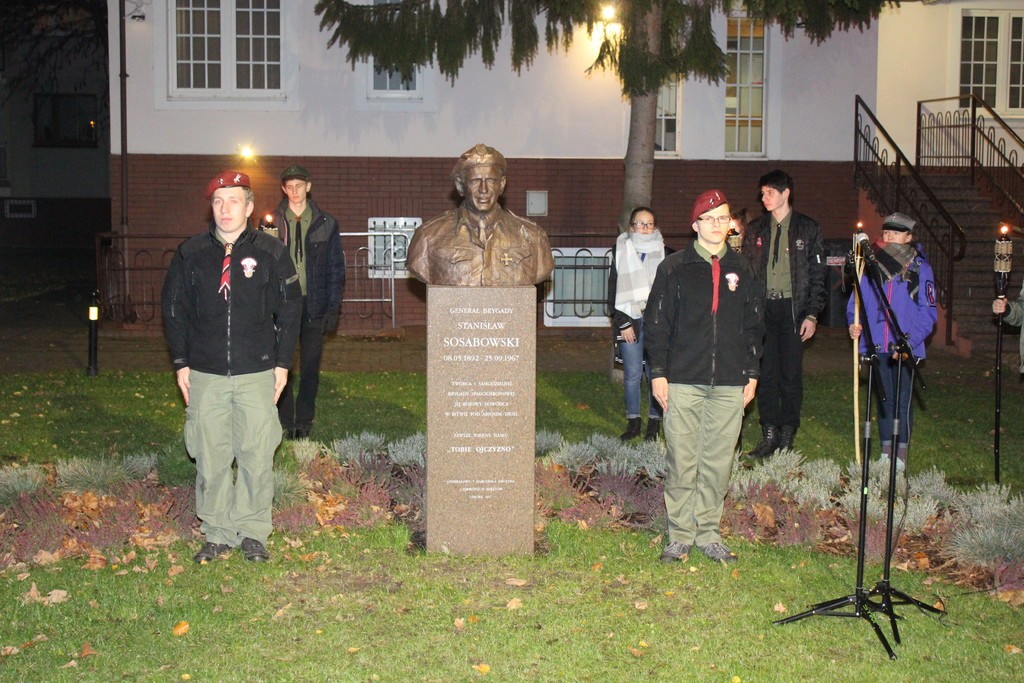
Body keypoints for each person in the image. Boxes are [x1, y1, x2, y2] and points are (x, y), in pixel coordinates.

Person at [162, 170, 302, 564]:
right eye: (218, 202)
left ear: (249, 206)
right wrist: (181, 361)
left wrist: (282, 364)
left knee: (257, 454)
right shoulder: (190, 254)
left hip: (257, 372)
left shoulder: (272, 252)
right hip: (206, 373)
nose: (225, 209)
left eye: (234, 201)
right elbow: (173, 309)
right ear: (211, 207)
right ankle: (217, 531)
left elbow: (291, 309)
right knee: (210, 455)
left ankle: (253, 531)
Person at [644, 189, 764, 564]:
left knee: (718, 462)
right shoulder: (674, 268)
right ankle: (680, 535)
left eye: (722, 218)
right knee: (682, 461)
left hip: (729, 381)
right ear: (695, 225)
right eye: (708, 218)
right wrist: (658, 373)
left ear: (731, 225)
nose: (715, 224)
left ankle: (708, 532)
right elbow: (657, 325)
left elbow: (753, 326)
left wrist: (752, 372)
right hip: (683, 379)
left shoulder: (744, 269)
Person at [742, 169, 826, 459]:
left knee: (790, 374)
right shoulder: (756, 229)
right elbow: (747, 272)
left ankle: (788, 432)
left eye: (770, 192)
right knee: (765, 373)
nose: (764, 198)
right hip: (764, 310)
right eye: (762, 193)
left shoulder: (807, 229)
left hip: (793, 309)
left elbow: (817, 275)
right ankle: (769, 433)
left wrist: (812, 315)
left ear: (785, 193)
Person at [848, 213, 936, 473]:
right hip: (877, 344)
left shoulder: (919, 268)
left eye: (896, 233)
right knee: (884, 400)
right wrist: (854, 323)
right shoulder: (870, 264)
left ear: (908, 237)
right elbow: (856, 301)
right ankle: (886, 452)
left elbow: (928, 312)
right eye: (887, 232)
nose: (889, 237)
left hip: (905, 347)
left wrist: (910, 341)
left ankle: (900, 454)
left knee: (902, 401)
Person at [267, 164, 345, 439]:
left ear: (308, 187)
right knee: (282, 364)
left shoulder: (326, 223)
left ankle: (304, 419)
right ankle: (285, 419)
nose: (294, 191)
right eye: (289, 187)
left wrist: (333, 307)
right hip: (283, 305)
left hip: (314, 304)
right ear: (283, 189)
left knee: (310, 366)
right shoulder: (272, 222)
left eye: (299, 186)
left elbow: (335, 268)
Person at [405, 144, 555, 286]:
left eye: (491, 180)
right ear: (460, 186)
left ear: (501, 184)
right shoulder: (428, 237)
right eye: (475, 181)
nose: (484, 189)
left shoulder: (534, 237)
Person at [607, 206, 671, 441]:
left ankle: (654, 423)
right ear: (631, 227)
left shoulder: (667, 253)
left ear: (655, 227)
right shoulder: (620, 250)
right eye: (639, 223)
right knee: (633, 375)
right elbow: (613, 289)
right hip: (630, 320)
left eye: (649, 224)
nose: (644, 228)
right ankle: (633, 422)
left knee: (656, 374)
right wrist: (623, 323)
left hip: (658, 323)